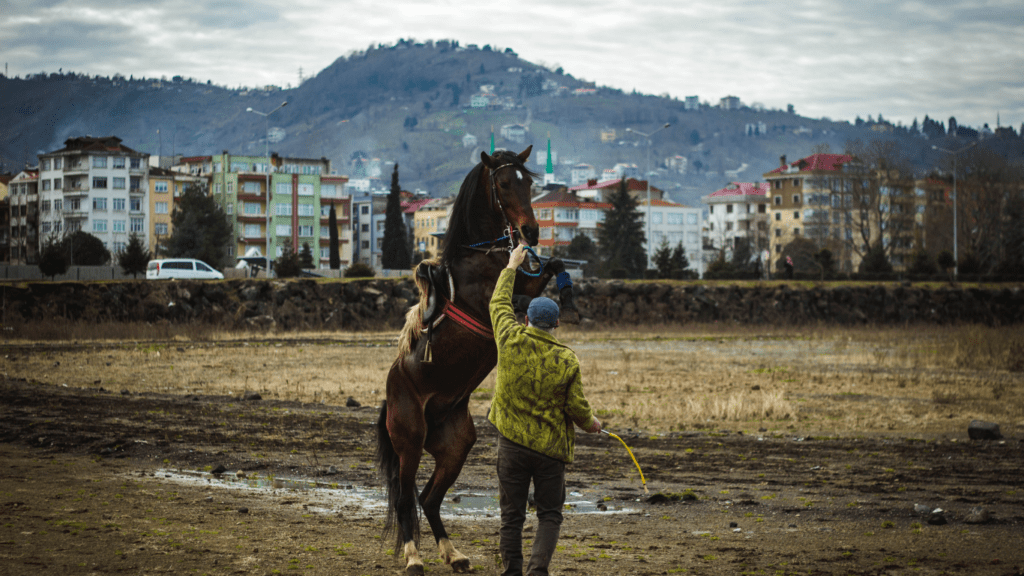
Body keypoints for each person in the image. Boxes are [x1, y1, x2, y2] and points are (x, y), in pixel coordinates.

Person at [488, 243, 602, 576]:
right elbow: (577, 408)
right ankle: (538, 571)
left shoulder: (509, 338)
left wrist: (511, 265)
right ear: (556, 326)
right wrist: (591, 423)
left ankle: (511, 572)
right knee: (550, 515)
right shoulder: (567, 359)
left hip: (510, 446)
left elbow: (498, 303)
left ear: (526, 320)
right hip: (551, 451)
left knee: (511, 516)